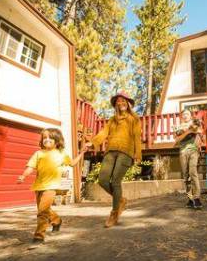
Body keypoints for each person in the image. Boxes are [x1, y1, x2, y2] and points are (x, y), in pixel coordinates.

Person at [17, 128, 88, 244]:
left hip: (51, 187)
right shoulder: (38, 154)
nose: (47, 140)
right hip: (38, 186)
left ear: (57, 140)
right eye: (44, 138)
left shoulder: (61, 154)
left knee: (42, 212)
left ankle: (39, 236)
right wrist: (23, 176)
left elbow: (72, 163)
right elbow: (30, 167)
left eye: (50, 138)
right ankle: (57, 220)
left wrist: (81, 153)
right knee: (44, 209)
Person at [89, 91, 141, 228]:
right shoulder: (112, 120)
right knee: (103, 180)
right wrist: (93, 142)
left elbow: (137, 137)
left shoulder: (134, 119)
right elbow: (103, 133)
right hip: (110, 151)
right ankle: (121, 201)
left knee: (116, 181)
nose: (121, 103)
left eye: (124, 101)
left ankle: (114, 213)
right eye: (118, 101)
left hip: (126, 152)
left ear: (128, 103)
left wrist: (138, 155)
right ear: (115, 104)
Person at [174, 109, 203, 209]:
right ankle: (190, 199)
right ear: (181, 116)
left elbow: (199, 131)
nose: (185, 115)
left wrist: (194, 132)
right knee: (186, 175)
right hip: (183, 151)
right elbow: (177, 140)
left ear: (190, 116)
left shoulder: (195, 123)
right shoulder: (178, 126)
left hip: (193, 150)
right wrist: (188, 132)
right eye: (184, 114)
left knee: (193, 172)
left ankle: (197, 198)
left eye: (187, 114)